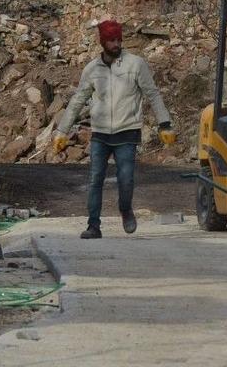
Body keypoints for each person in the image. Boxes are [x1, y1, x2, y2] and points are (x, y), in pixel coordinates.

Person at [53, 20, 175, 239]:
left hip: (127, 131)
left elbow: (153, 94)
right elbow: (77, 100)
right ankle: (93, 226)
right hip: (100, 133)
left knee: (126, 178)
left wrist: (164, 123)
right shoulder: (92, 69)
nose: (116, 44)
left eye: (119, 39)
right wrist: (62, 131)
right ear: (103, 42)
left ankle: (126, 210)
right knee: (95, 179)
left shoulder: (135, 64)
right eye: (111, 40)